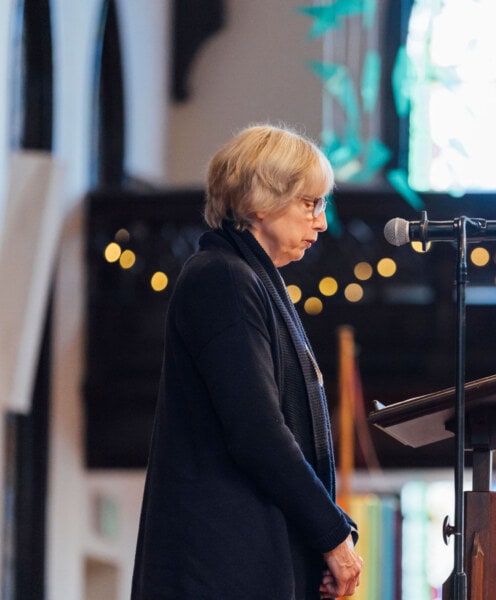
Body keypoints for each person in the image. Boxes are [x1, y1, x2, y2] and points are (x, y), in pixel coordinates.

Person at [131, 124, 363, 599]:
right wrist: (331, 535)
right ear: (261, 201)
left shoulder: (249, 279)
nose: (321, 222)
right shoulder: (223, 279)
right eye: (310, 203)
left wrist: (327, 533)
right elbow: (257, 431)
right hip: (220, 570)